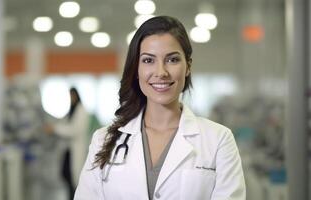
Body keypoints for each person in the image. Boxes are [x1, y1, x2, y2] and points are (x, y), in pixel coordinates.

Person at [74, 16, 246, 200]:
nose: (161, 72)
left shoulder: (219, 140)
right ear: (136, 69)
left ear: (188, 67)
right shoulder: (103, 140)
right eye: (148, 61)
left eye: (172, 60)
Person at [45, 87, 90, 200]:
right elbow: (64, 123)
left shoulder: (81, 111)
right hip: (68, 150)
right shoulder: (72, 110)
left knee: (73, 179)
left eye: (72, 96)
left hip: (75, 149)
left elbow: (73, 130)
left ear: (76, 96)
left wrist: (55, 129)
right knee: (66, 175)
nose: (71, 98)